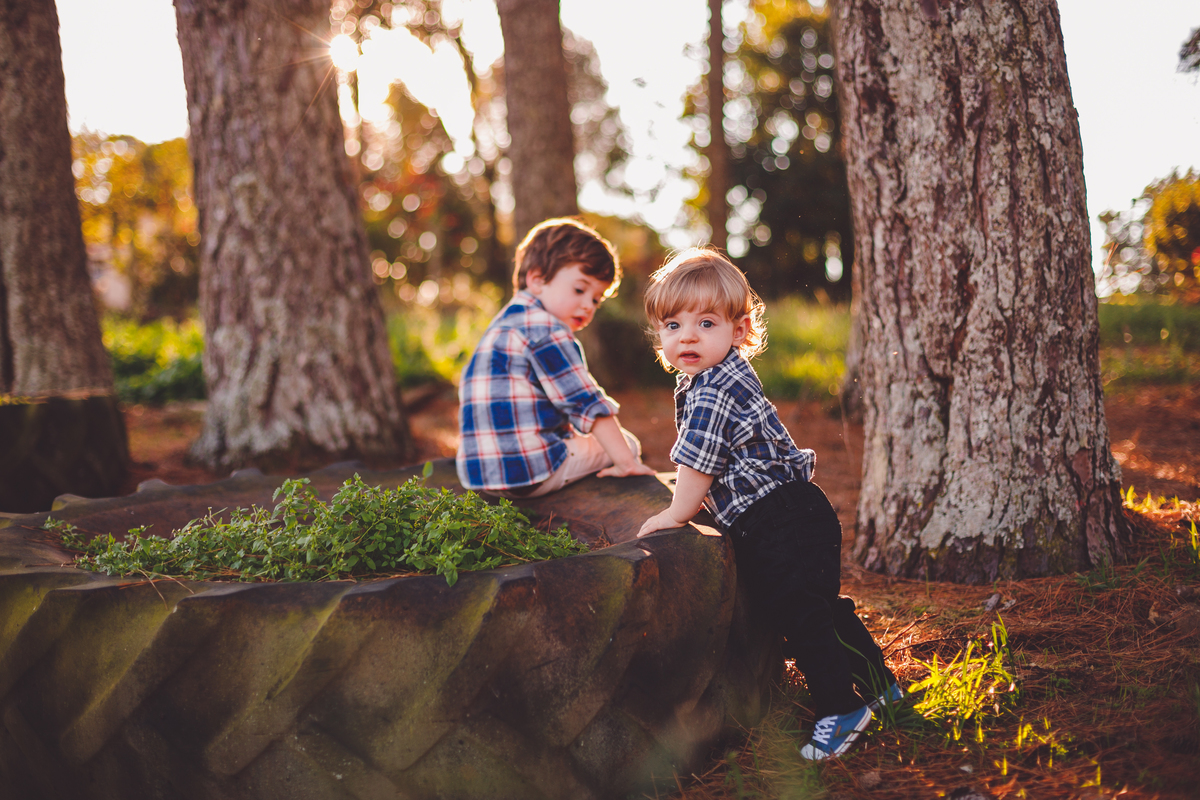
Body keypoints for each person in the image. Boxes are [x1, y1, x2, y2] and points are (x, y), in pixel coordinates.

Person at [637, 247, 902, 760]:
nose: (686, 336)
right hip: (798, 510)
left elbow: (698, 464)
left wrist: (675, 514)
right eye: (672, 324)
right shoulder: (709, 377)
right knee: (822, 608)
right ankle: (882, 687)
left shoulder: (714, 390)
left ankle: (841, 709)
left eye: (706, 322)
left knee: (799, 615)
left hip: (779, 520)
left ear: (739, 331)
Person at [457, 218, 655, 497]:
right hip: (528, 472)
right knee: (627, 444)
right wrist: (627, 462)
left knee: (586, 438)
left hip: (480, 476)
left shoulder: (503, 325)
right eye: (579, 289)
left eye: (597, 299)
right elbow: (587, 403)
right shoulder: (548, 330)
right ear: (537, 279)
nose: (588, 305)